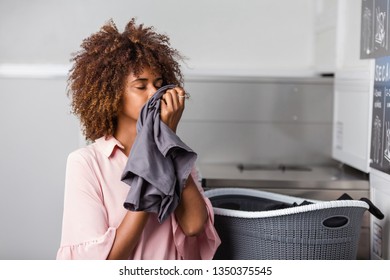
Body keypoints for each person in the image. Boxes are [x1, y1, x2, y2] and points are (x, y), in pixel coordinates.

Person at [56, 18, 221, 260]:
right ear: (113, 95)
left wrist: (167, 142)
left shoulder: (176, 153)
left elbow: (194, 226)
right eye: (140, 86)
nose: (155, 94)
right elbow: (106, 263)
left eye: (159, 84)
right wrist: (154, 157)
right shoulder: (86, 163)